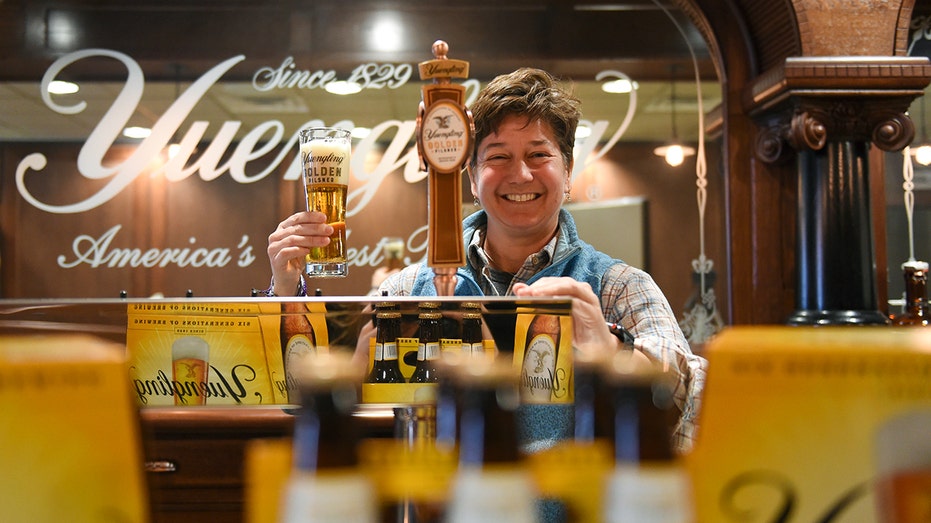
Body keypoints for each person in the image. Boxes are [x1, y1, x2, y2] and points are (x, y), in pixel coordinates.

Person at [266, 67, 706, 455]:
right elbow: (298, 399)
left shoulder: (618, 287)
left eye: (539, 154)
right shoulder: (407, 290)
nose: (521, 174)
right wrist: (287, 291)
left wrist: (611, 348)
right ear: (473, 178)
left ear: (568, 172)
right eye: (498, 156)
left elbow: (691, 400)